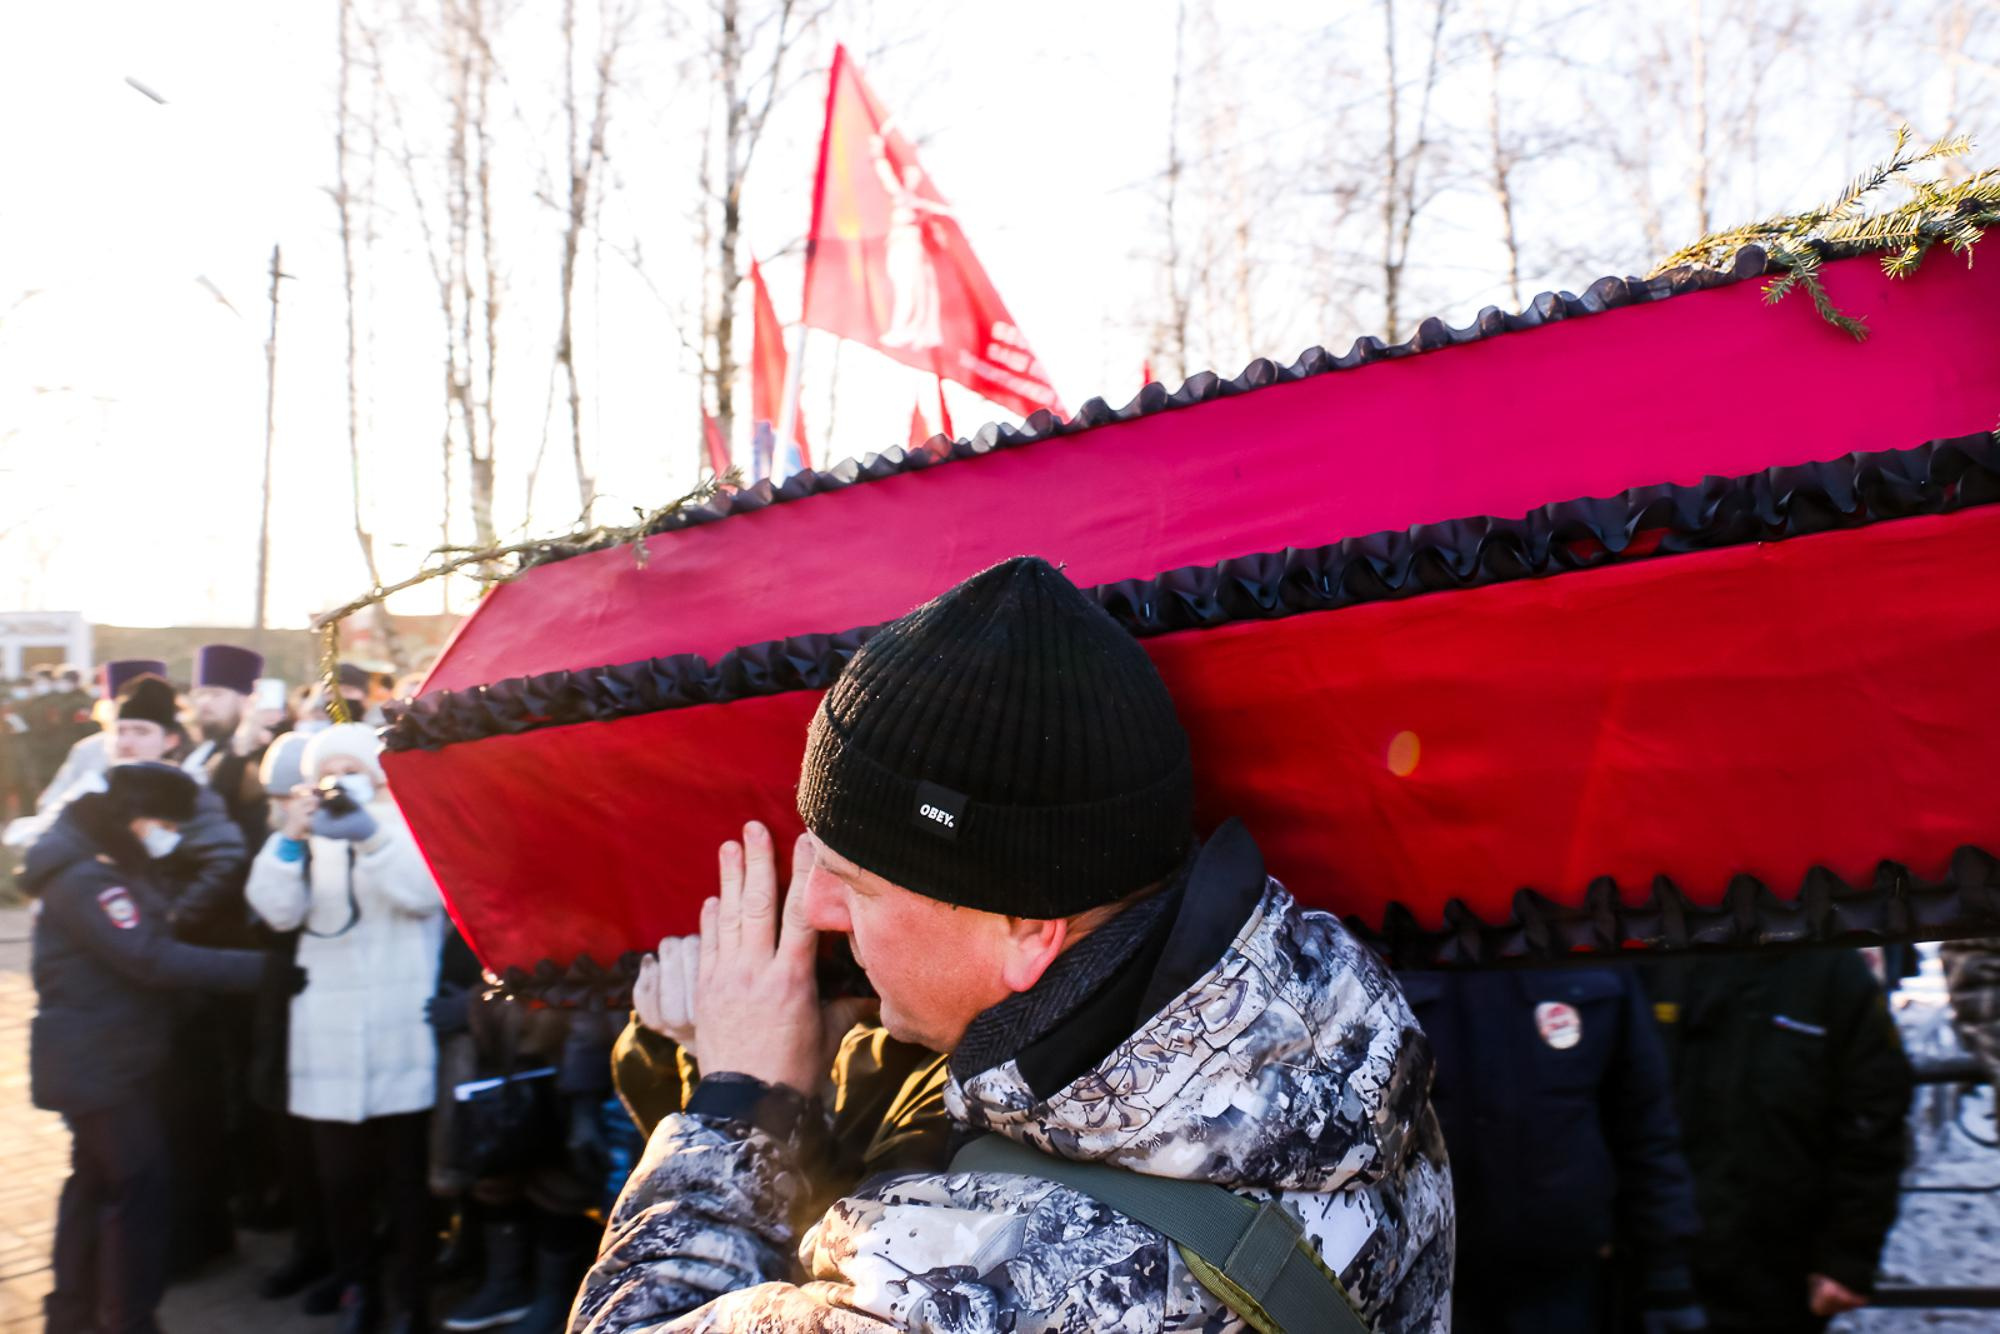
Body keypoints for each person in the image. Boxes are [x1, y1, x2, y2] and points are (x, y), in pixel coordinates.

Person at [569, 556, 1455, 1333]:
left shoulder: (987, 1284)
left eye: (857, 883)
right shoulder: (1333, 1025)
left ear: (1030, 929)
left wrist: (739, 1105)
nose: (814, 908)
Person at [23, 760, 301, 1334]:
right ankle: (128, 1318)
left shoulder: (101, 863)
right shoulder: (88, 878)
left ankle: (73, 1315)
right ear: (138, 819)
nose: (170, 834)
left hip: (103, 1057)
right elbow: (148, 957)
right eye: (166, 823)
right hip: (100, 1062)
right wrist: (265, 971)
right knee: (138, 1190)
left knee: (93, 1184)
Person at [247, 723, 446, 1334]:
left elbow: (421, 895)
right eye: (329, 769)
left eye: (352, 767)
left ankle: (411, 1298)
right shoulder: (310, 837)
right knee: (340, 1181)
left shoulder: (407, 825)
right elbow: (275, 912)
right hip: (326, 1033)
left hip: (399, 1027)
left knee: (406, 1181)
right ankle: (361, 1290)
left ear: (380, 774)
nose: (342, 780)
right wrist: (289, 839)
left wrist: (369, 840)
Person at [1399, 967, 1704, 1333]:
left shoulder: (1589, 950)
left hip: (1562, 1289)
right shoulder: (1387, 948)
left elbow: (1645, 1129)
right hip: (1417, 1289)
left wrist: (1667, 1272)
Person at [1643, 951, 1911, 1333]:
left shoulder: (1829, 966)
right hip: (1658, 1261)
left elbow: (1873, 1119)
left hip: (1778, 1262)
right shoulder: (1653, 956)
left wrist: (1848, 1257)